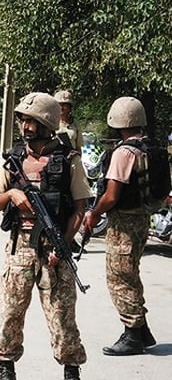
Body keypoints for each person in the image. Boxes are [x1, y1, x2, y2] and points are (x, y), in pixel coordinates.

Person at [0, 92, 89, 380]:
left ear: (47, 123)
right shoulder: (14, 160)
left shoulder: (69, 160)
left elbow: (80, 209)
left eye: (32, 122)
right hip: (20, 247)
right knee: (11, 311)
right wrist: (12, 194)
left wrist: (65, 244)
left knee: (62, 317)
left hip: (54, 249)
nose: (26, 127)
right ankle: (6, 367)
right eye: (23, 121)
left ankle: (71, 370)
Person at [83, 96, 157, 356]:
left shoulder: (124, 152)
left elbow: (112, 196)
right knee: (131, 273)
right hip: (142, 220)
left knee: (119, 278)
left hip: (123, 223)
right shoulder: (149, 148)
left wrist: (93, 213)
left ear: (117, 121)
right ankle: (143, 329)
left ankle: (133, 334)